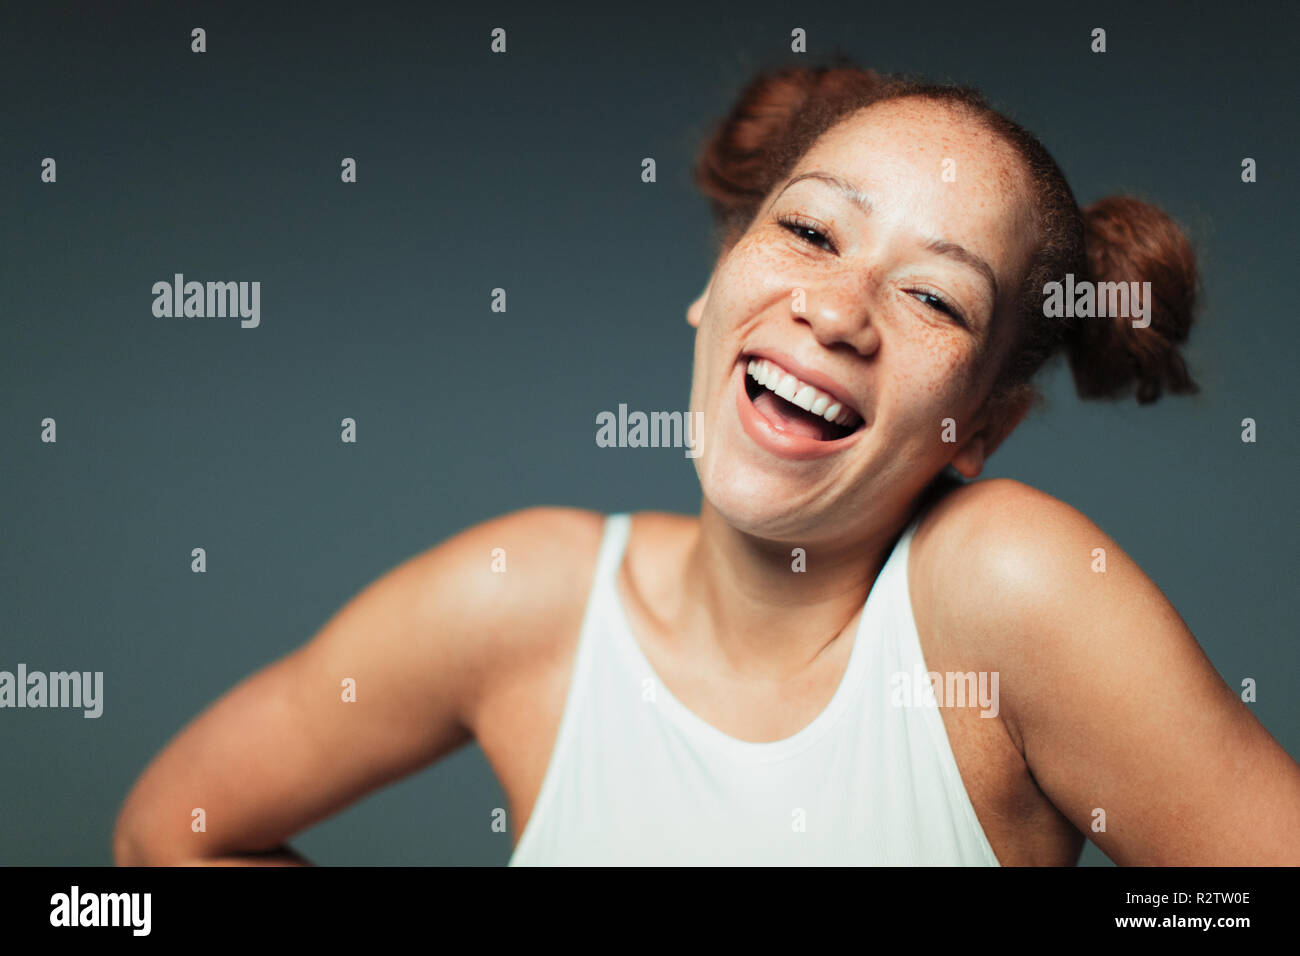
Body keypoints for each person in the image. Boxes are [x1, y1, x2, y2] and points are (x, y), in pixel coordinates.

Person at [112, 64, 1300, 866]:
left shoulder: (1008, 589)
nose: (837, 308)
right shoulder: (523, 595)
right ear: (716, 280)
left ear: (978, 429)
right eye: (808, 230)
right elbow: (169, 835)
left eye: (934, 296)